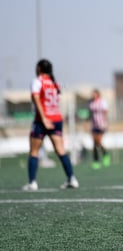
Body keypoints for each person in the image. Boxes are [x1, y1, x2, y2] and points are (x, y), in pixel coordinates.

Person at [22, 59, 79, 191]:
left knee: (34, 151)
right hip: (56, 118)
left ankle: (32, 182)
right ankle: (72, 178)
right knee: (61, 151)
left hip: (43, 120)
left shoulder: (37, 81)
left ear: (39, 68)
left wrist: (43, 118)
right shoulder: (55, 83)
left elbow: (36, 99)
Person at [88, 89, 110, 169]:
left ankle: (105, 154)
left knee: (99, 142)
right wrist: (87, 123)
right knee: (94, 143)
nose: (93, 95)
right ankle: (96, 161)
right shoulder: (90, 102)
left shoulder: (102, 102)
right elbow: (90, 113)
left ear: (97, 94)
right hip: (94, 125)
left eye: (94, 94)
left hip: (101, 124)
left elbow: (106, 112)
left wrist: (105, 122)